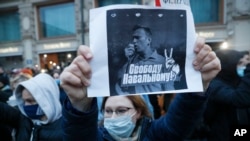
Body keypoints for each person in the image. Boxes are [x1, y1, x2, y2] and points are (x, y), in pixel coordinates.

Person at [59, 37, 221, 140]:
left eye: (121, 110)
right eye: (108, 111)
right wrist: (80, 106)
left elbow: (181, 119)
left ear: (139, 112)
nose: (113, 117)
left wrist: (196, 84)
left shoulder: (156, 134)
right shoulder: (99, 137)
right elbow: (78, 134)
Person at [186, 49, 250, 141]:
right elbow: (239, 98)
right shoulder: (214, 86)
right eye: (239, 62)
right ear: (229, 65)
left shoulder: (237, 81)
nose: (245, 65)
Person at [115, 25, 180, 95]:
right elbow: (120, 85)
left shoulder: (163, 62)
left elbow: (169, 90)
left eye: (137, 38)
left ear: (148, 40)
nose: (134, 41)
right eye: (133, 38)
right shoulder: (131, 61)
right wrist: (127, 60)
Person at [0, 73, 63, 140]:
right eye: (24, 101)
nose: (26, 105)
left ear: (46, 100)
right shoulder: (24, 119)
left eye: (30, 101)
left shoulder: (67, 131)